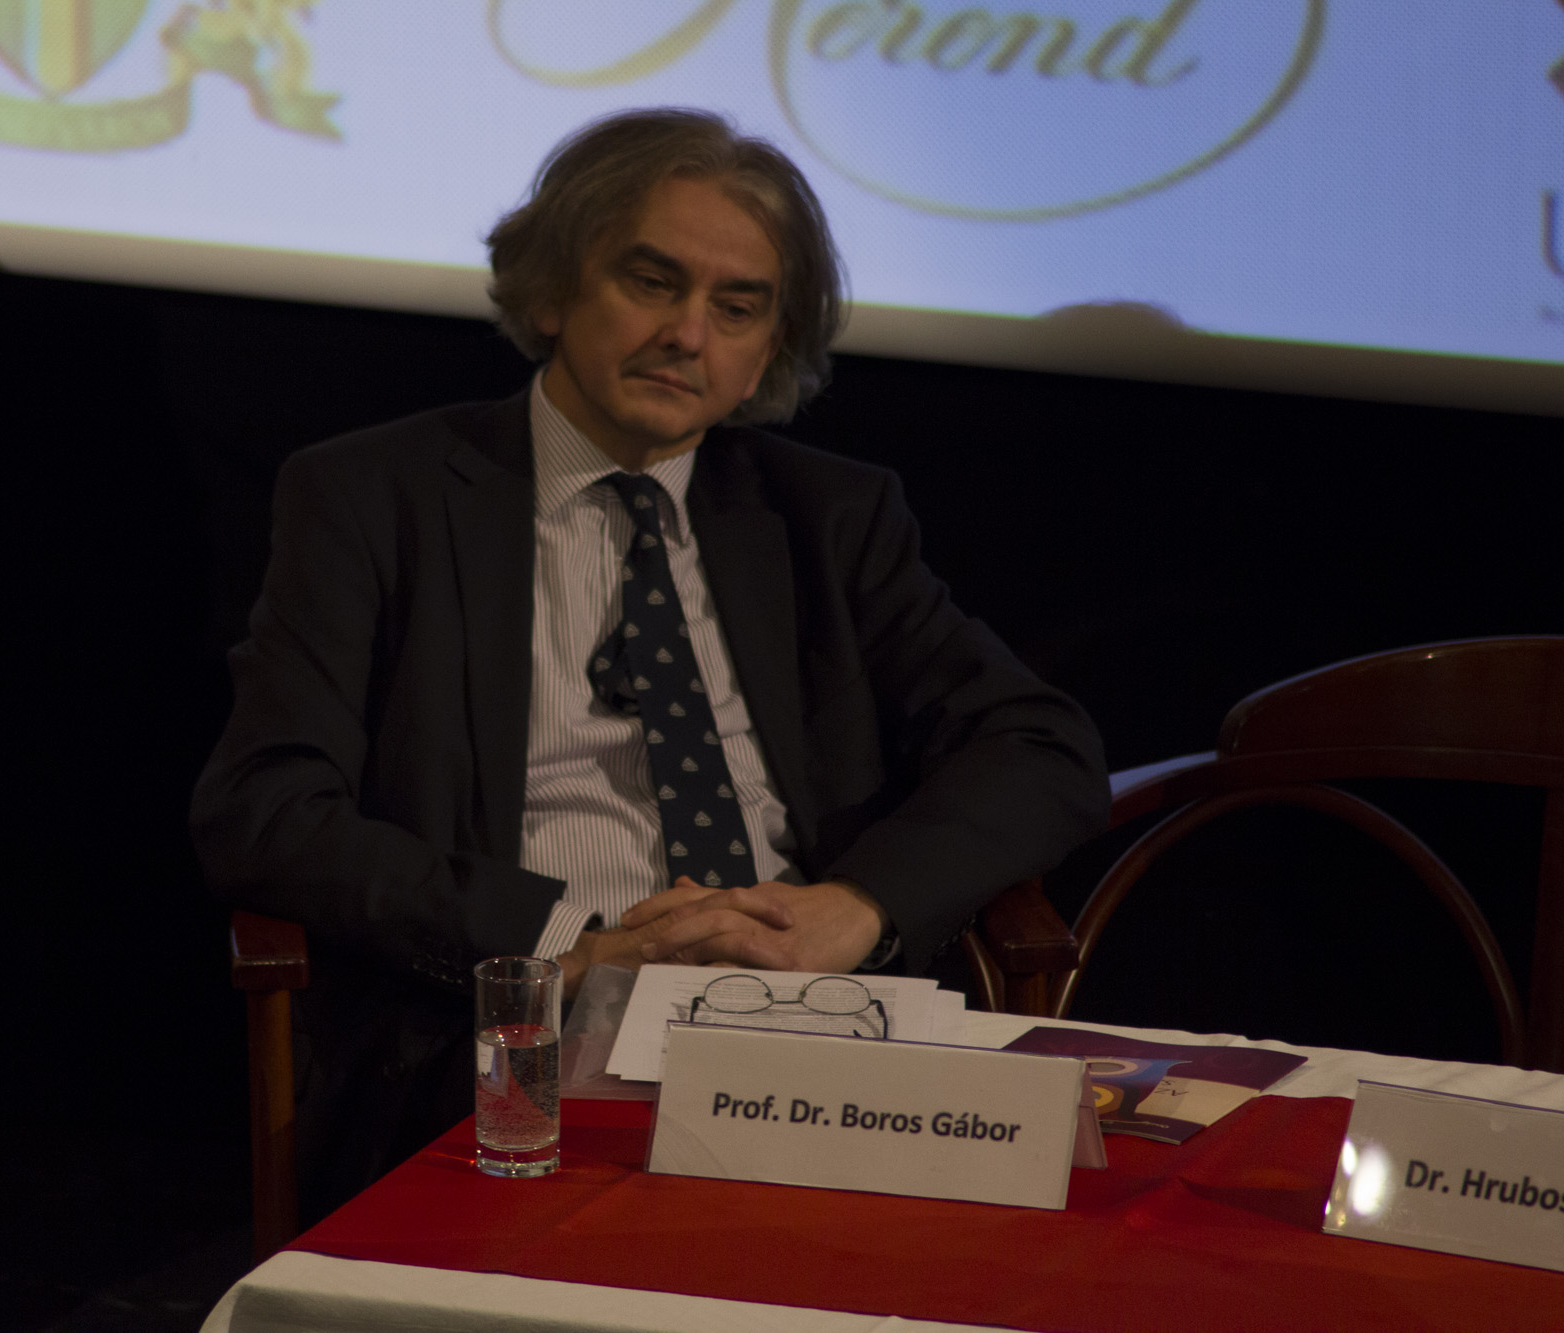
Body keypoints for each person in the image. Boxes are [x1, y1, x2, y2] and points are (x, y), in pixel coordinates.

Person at [190, 108, 1108, 1219]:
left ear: (767, 351)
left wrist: (858, 907)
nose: (687, 334)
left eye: (737, 308)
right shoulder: (373, 496)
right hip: (525, 1036)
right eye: (651, 281)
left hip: (807, 1029)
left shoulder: (826, 517)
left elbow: (1040, 745)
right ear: (550, 289)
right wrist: (559, 948)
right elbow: (266, 809)